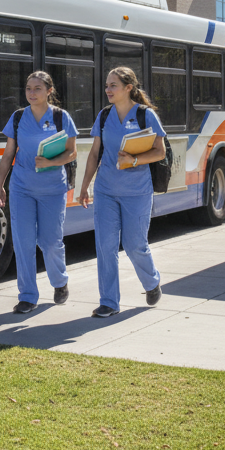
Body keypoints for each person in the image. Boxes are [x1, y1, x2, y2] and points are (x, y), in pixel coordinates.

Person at [77, 67, 166, 318]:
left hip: (136, 191)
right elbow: (95, 153)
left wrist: (135, 161)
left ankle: (152, 282)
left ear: (128, 88)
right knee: (105, 246)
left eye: (113, 85)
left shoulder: (145, 115)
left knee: (134, 244)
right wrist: (84, 186)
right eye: (107, 85)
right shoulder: (104, 116)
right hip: (106, 189)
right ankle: (109, 301)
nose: (108, 90)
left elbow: (160, 152)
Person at [0, 71, 78, 314]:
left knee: (51, 242)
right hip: (21, 187)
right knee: (23, 242)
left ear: (49, 91)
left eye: (37, 88)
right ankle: (27, 295)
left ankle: (60, 282)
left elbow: (72, 153)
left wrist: (51, 163)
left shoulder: (62, 117)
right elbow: (8, 154)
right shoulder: (18, 117)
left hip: (53, 188)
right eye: (28, 88)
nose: (32, 93)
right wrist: (0, 185)